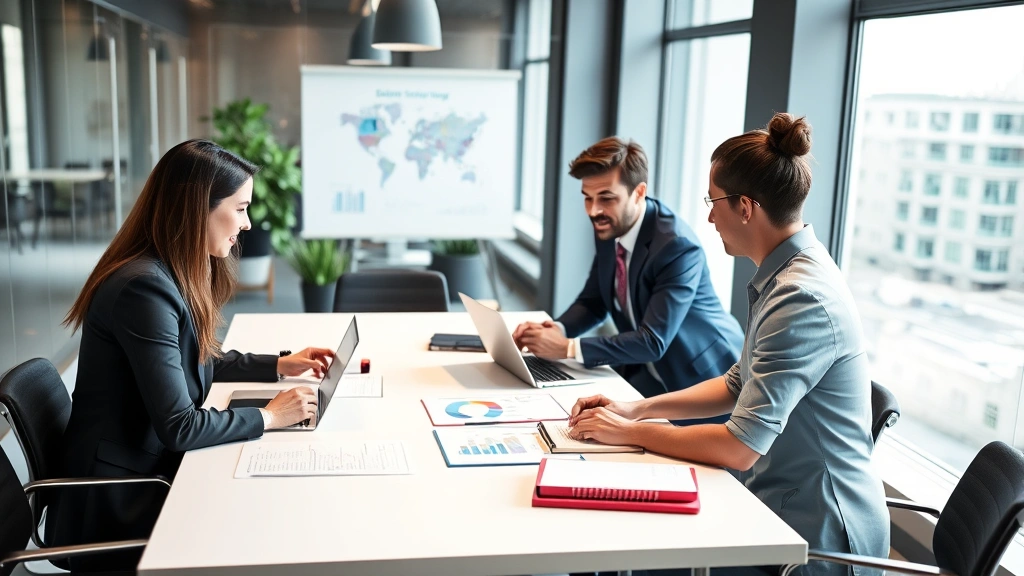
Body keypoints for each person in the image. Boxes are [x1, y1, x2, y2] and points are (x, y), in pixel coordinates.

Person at [566, 115, 889, 576]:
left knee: (635, 555)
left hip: (815, 541)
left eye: (714, 201)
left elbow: (739, 448)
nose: (709, 215)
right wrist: (634, 410)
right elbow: (737, 383)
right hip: (772, 503)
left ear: (745, 207)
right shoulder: (783, 275)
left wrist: (629, 432)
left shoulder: (801, 296)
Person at [51, 139, 334, 570]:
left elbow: (193, 359)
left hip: (141, 466)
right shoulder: (143, 289)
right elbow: (180, 427)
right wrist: (270, 417)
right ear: (197, 206)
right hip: (119, 496)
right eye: (240, 208)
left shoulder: (165, 271)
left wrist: (279, 364)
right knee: (260, 523)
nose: (248, 223)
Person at [513, 137, 743, 404]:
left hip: (702, 377)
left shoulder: (676, 247)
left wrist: (567, 348)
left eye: (606, 198)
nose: (594, 210)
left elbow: (652, 341)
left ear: (639, 192)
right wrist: (557, 329)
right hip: (646, 373)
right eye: (588, 198)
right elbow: (594, 300)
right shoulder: (610, 224)